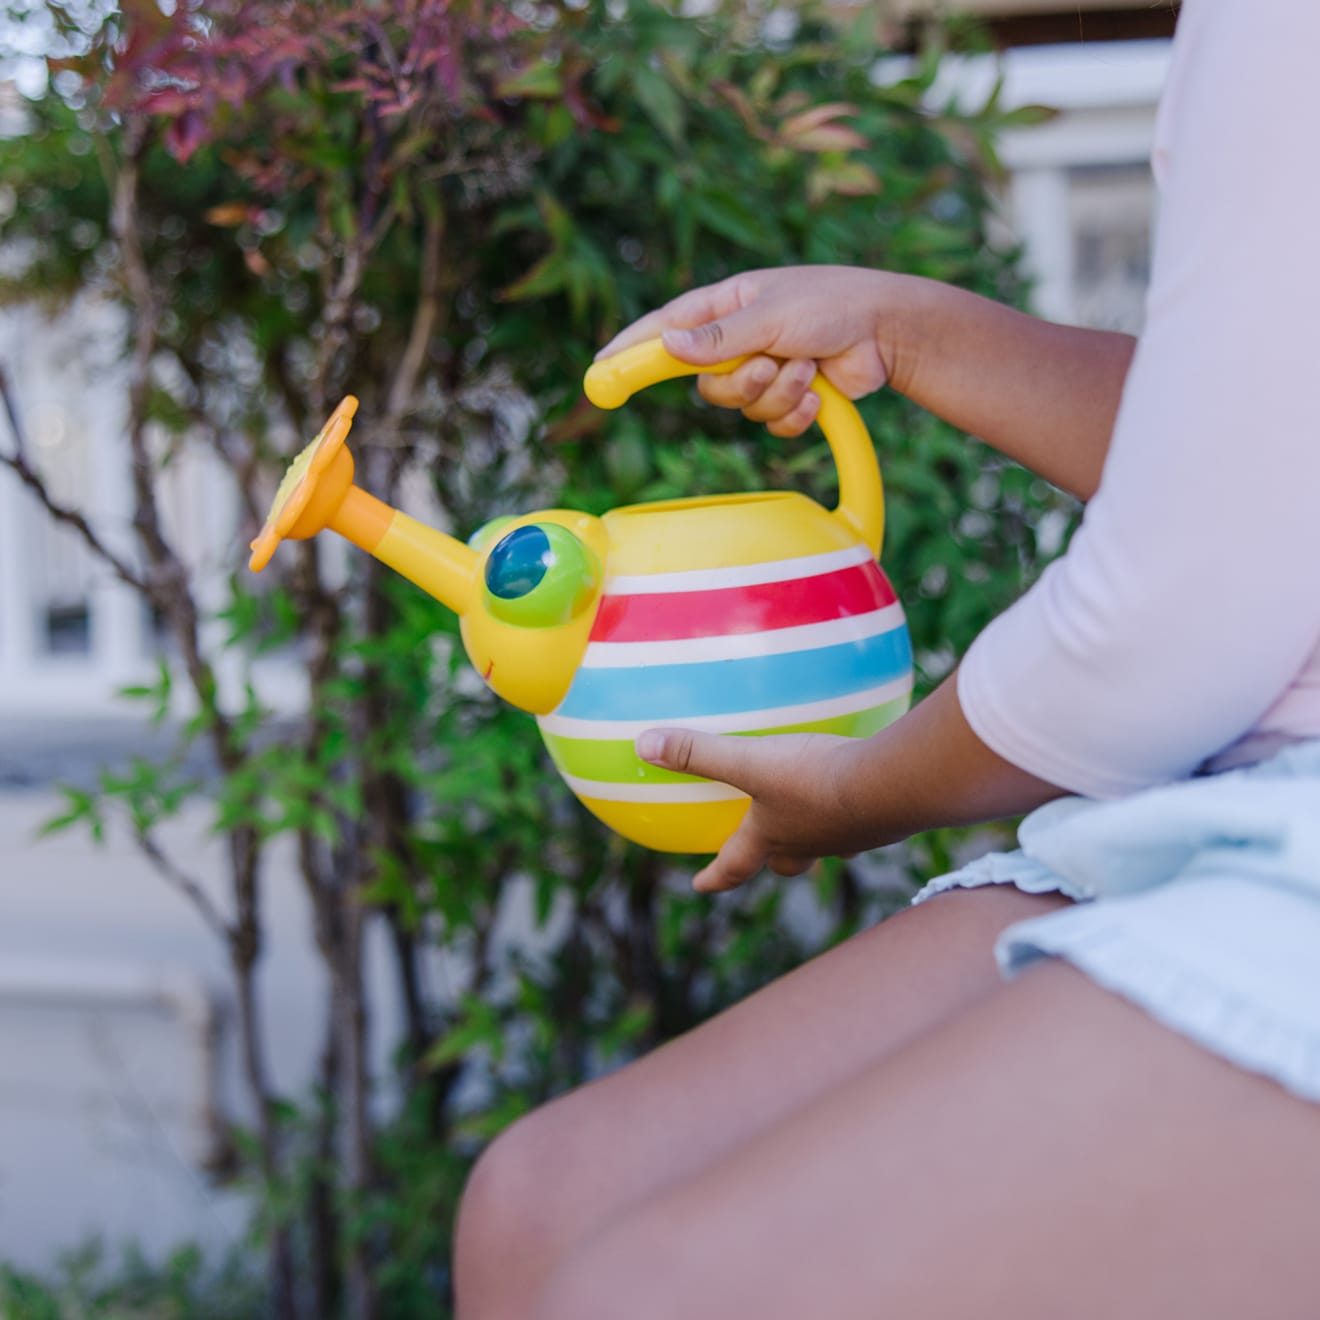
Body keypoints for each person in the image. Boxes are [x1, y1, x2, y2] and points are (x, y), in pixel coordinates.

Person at [454, 3, 1320, 1316]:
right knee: (538, 1205)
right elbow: (1261, 450)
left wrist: (868, 789)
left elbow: (1181, 607)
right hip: (1237, 797)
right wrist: (906, 329)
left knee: (649, 1293)